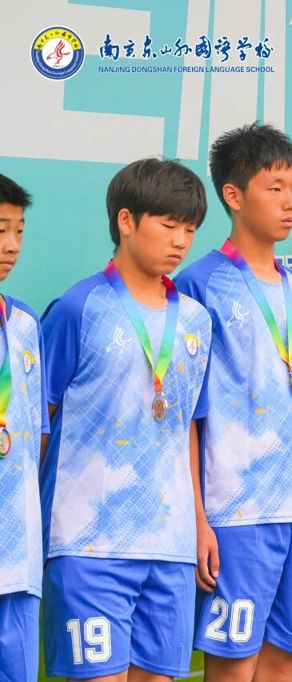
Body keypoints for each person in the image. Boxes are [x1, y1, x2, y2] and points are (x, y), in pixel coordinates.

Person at [176, 123, 292, 682]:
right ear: (233, 194)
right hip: (238, 513)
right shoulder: (198, 286)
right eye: (274, 188)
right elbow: (186, 416)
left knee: (282, 663)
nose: (289, 202)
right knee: (233, 665)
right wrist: (199, 519)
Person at [41, 158, 211, 681]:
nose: (181, 241)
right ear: (126, 221)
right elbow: (38, 423)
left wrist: (199, 521)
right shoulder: (78, 308)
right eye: (169, 224)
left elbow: (185, 424)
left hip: (171, 544)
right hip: (88, 543)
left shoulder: (196, 321)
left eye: (190, 229)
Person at [0, 174, 49, 682]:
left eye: (18, 231)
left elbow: (37, 433)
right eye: (0, 230)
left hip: (17, 554)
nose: (11, 245)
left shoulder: (24, 324)